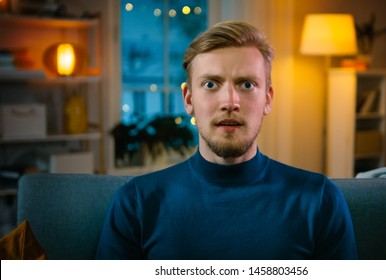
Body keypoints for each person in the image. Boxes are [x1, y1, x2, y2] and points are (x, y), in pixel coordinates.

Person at [96, 20, 358, 260]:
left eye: (246, 85)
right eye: (211, 84)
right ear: (188, 99)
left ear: (267, 98)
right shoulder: (137, 203)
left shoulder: (319, 199)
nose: (230, 102)